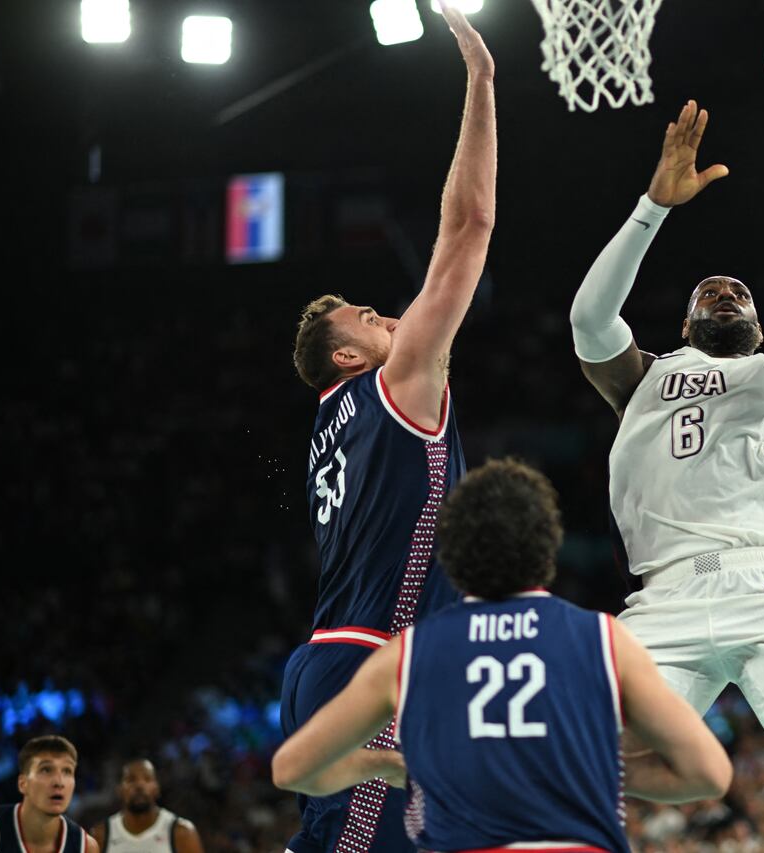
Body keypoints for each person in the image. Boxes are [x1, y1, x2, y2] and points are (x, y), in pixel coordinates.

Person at [568, 55, 764, 853]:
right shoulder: (640, 377)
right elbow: (587, 318)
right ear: (684, 327)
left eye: (740, 292)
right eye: (708, 291)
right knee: (561, 761)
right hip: (660, 606)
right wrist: (652, 206)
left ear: (759, 319)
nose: (725, 293)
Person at [278, 6, 497, 852]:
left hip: (333, 657)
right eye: (365, 317)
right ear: (345, 358)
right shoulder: (394, 386)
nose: (385, 313)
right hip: (376, 660)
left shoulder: (327, 427)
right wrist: (480, 81)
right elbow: (467, 228)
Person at [272, 459, 732, 853]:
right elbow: (708, 774)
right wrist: (585, 765)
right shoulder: (604, 638)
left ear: (449, 553)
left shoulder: (408, 655)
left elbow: (291, 769)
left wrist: (384, 764)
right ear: (549, 545)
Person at [0, 735, 99, 853]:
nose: (59, 782)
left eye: (67, 771)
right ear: (23, 784)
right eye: (46, 770)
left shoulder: (86, 847)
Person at [90, 759, 203, 853]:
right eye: (131, 779)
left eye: (147, 779)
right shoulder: (100, 835)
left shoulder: (182, 833)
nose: (139, 785)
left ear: (157, 788)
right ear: (119, 790)